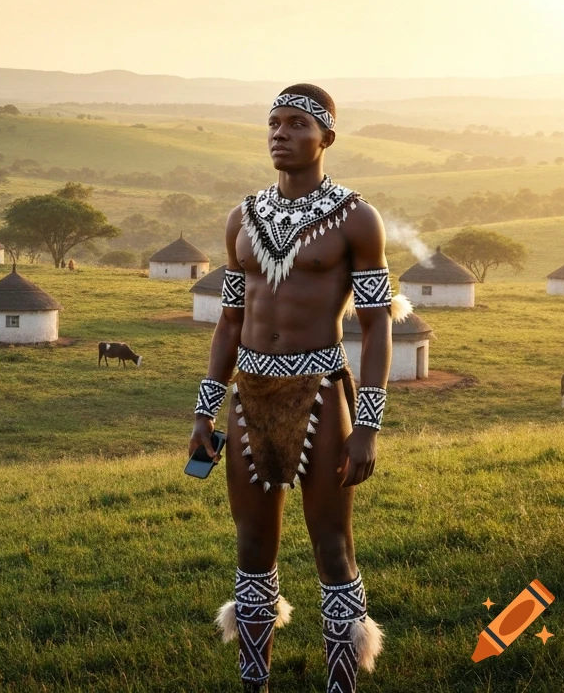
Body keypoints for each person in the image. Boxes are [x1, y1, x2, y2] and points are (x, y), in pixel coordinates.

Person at [189, 84, 402, 692]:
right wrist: (205, 412)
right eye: (272, 124)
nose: (279, 134)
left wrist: (368, 425)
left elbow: (376, 324)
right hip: (248, 396)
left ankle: (342, 685)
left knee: (332, 546)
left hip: (321, 394)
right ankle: (254, 683)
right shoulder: (242, 217)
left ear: (325, 138)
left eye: (294, 124)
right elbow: (230, 322)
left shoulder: (357, 219)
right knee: (252, 546)